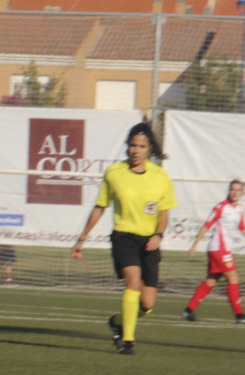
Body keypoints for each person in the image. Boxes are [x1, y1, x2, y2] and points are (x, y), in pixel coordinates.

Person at [72, 122, 176, 356]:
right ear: (127, 146)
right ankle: (127, 341)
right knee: (132, 283)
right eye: (132, 145)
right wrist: (82, 238)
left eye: (141, 146)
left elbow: (164, 213)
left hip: (149, 241)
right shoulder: (114, 173)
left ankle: (117, 322)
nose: (135, 150)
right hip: (123, 238)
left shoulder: (160, 177)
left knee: (147, 305)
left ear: (149, 149)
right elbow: (100, 206)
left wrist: (159, 234)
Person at [182, 179, 245, 324]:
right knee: (233, 279)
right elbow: (206, 225)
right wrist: (195, 244)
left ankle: (188, 311)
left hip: (221, 250)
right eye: (232, 189)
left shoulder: (239, 209)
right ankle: (240, 316)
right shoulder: (221, 207)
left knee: (211, 282)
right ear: (228, 191)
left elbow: (243, 227)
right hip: (219, 249)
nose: (235, 192)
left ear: (242, 192)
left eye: (238, 190)